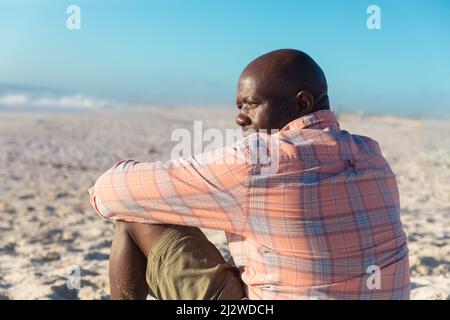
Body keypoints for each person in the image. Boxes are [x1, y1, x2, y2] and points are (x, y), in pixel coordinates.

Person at [89, 49, 410, 300]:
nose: (240, 119)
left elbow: (109, 192)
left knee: (135, 214)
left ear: (302, 102)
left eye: (250, 104)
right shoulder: (372, 155)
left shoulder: (260, 162)